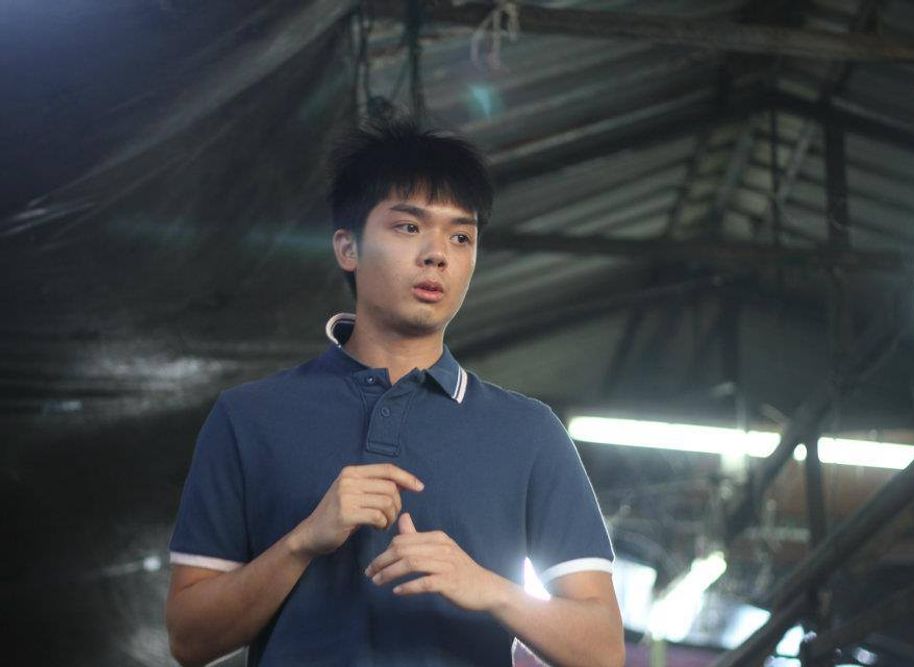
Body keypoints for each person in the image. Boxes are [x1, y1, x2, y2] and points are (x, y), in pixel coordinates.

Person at [164, 117, 625, 667]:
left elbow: (603, 651)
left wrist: (491, 589)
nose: (438, 254)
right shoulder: (248, 417)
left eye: (461, 236)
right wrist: (302, 542)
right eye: (409, 227)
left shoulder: (529, 432)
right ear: (348, 247)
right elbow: (189, 640)